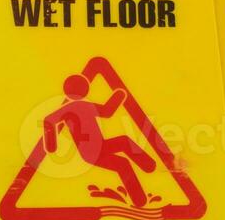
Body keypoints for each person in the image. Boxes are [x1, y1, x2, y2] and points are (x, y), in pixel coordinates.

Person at [43, 74, 158, 208]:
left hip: (98, 147)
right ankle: (141, 194)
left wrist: (51, 144)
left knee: (123, 148)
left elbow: (49, 120)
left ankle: (148, 170)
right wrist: (119, 95)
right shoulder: (79, 107)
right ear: (85, 90)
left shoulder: (75, 107)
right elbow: (107, 111)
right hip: (92, 152)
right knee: (123, 158)